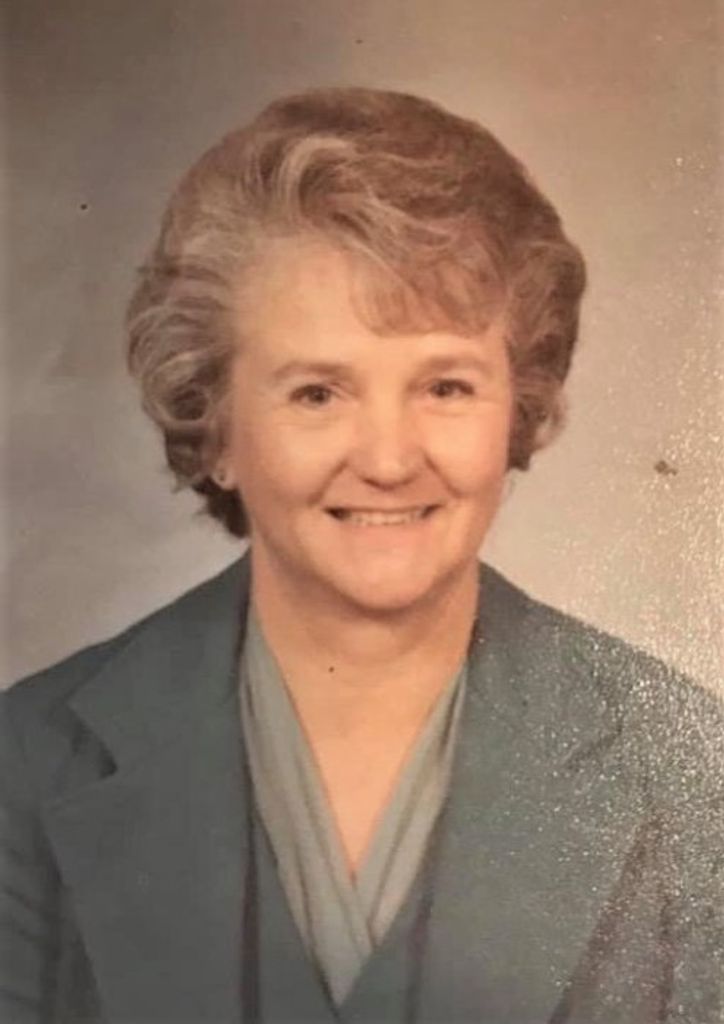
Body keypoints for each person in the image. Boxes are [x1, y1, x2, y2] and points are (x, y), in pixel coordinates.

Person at [1, 87, 722, 1024]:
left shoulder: (691, 776)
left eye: (446, 386)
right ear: (215, 427)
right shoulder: (28, 766)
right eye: (317, 393)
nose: (388, 459)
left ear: (520, 407)